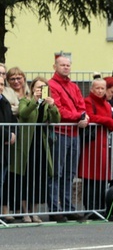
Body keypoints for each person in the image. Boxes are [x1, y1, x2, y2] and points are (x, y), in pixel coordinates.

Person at [47, 55, 89, 222]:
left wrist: (84, 118)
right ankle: (55, 209)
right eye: (62, 65)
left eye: (68, 65)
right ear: (55, 66)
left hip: (73, 133)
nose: (65, 67)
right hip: (60, 132)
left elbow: (82, 105)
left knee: (70, 173)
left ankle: (68, 207)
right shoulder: (51, 85)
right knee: (56, 172)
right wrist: (79, 117)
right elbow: (58, 110)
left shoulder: (73, 86)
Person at [12, 77, 60, 223]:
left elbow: (56, 120)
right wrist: (34, 100)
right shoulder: (25, 101)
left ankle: (34, 212)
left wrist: (52, 106)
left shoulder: (47, 104)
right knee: (26, 178)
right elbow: (24, 113)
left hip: (41, 143)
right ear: (32, 88)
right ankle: (25, 212)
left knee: (39, 179)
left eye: (43, 88)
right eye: (38, 87)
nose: (40, 90)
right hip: (28, 144)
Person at [78, 78, 113, 214]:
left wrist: (109, 122)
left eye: (102, 88)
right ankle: (90, 208)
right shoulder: (88, 101)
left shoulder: (106, 104)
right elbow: (90, 117)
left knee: (101, 178)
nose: (100, 91)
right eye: (97, 88)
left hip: (103, 144)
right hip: (92, 145)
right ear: (91, 89)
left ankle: (100, 207)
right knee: (90, 177)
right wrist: (109, 121)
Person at [1, 76, 17, 224]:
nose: (0, 87)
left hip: (4, 149)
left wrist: (13, 133)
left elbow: (12, 121)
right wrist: (7, 134)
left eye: (1, 84)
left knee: (2, 181)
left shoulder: (4, 102)